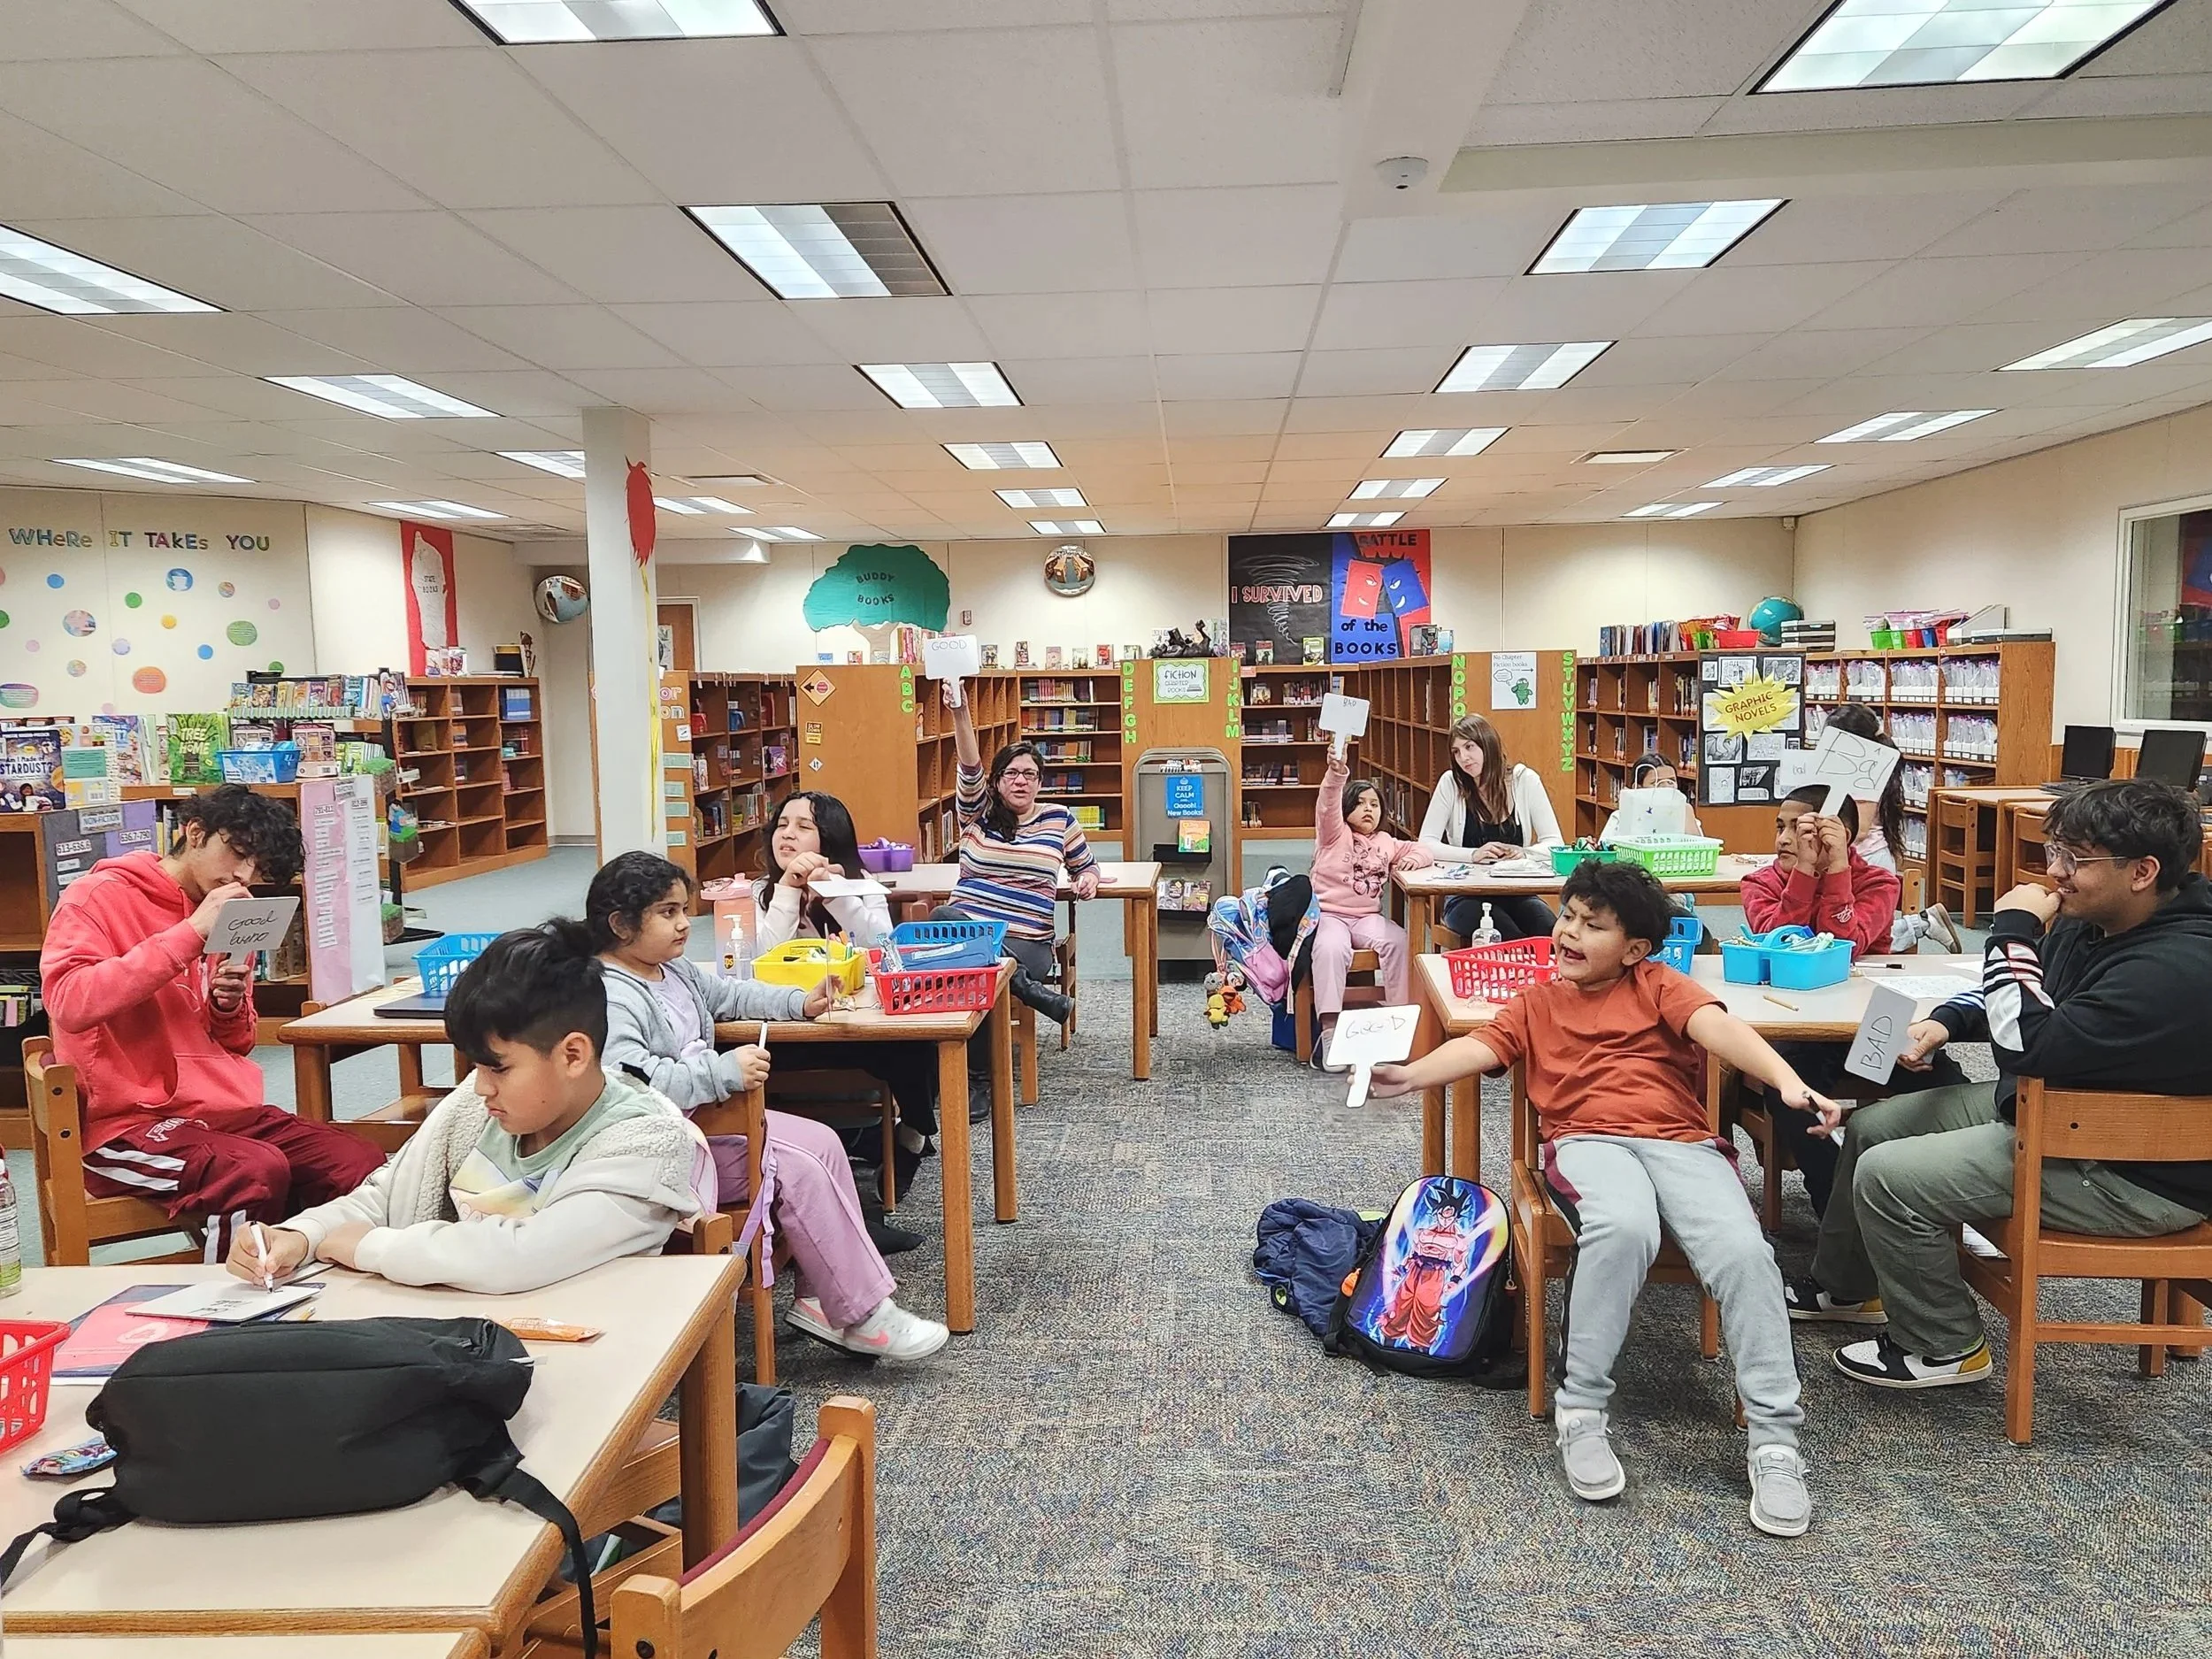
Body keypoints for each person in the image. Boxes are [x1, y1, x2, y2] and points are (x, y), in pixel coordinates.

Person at [1371, 861, 1828, 1538]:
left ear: (1636, 948)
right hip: (1587, 1140)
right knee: (1622, 1227)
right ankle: (1581, 1409)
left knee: (1745, 1251)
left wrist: (1788, 1082)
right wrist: (1410, 1074)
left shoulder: (1659, 984)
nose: (1570, 933)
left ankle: (1775, 1441)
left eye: (1594, 925)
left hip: (1681, 1143)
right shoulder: (1536, 1002)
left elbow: (1720, 1031)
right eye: (1569, 917)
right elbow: (1478, 1047)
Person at [1785, 780, 2212, 1390]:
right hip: (2064, 1111)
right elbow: (2027, 996)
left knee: (1889, 1175)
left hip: (2135, 1170)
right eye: (2056, 852)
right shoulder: (2099, 919)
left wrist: (2009, 932)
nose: (2055, 873)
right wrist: (1947, 1020)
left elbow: (2028, 1044)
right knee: (1876, 1125)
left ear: (2142, 871)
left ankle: (1944, 1346)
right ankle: (1849, 1287)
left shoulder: (2177, 968)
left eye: (2075, 859)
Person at [591, 852, 948, 1363]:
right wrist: (722, 1073)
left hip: (708, 1121)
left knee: (824, 1141)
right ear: (621, 924)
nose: (683, 924)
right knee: (796, 1168)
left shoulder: (672, 972)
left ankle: (819, 1301)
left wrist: (800, 1003)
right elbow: (632, 1084)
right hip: (668, 1145)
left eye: (681, 910)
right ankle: (865, 1313)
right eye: (667, 913)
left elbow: (733, 993)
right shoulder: (611, 994)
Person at [225, 923, 703, 1294]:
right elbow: (384, 1199)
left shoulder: (646, 1142)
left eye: (499, 1068)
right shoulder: (478, 1112)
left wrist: (373, 1248)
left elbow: (524, 1256)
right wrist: (301, 1235)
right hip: (460, 1338)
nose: (480, 1088)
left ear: (572, 1055)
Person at [41, 784, 384, 1262]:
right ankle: (232, 1306)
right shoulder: (96, 898)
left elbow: (239, 1044)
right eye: (237, 854)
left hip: (221, 1111)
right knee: (252, 1172)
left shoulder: (225, 905)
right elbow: (69, 1003)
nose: (242, 875)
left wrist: (227, 1007)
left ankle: (315, 1291)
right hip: (125, 1126)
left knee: (356, 1163)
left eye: (254, 868)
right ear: (195, 832)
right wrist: (190, 933)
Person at [755, 790, 939, 1207]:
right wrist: (787, 889)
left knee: (914, 1042)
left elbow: (882, 951)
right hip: (791, 1025)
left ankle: (912, 1134)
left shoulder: (862, 886)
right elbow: (761, 960)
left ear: (830, 840)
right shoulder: (763, 892)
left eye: (804, 828)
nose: (787, 836)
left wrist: (834, 893)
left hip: (852, 1024)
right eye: (782, 825)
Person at [943, 678, 1098, 1117]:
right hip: (969, 932)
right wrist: (960, 712)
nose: (1022, 781)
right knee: (945, 922)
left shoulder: (1059, 819)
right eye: (1012, 773)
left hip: (1027, 941)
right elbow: (968, 764)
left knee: (969, 966)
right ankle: (1026, 992)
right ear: (996, 781)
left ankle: (975, 1079)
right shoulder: (976, 814)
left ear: (1040, 782)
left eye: (1031, 774)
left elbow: (1086, 865)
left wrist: (1088, 879)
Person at [1311, 750, 1432, 1067]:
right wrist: (1337, 773)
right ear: (1347, 808)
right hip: (1330, 914)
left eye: (1375, 804)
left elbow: (1422, 849)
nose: (1369, 809)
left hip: (1366, 917)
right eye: (1362, 803)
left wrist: (1413, 859)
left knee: (1398, 941)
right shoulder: (1333, 834)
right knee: (1330, 949)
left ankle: (1396, 1024)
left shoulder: (1386, 841)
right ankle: (1330, 1031)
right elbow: (1326, 805)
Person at [1821, 703, 1960, 952]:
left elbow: (1859, 829)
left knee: (1862, 939)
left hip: (1867, 859)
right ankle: (1923, 922)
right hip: (1857, 856)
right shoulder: (1850, 767)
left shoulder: (1867, 773)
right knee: (1851, 929)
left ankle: (1921, 924)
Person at [1417, 712, 1563, 942]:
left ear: (1488, 744)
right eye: (1456, 752)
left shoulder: (1525, 781)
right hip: (1465, 895)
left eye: (1469, 747)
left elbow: (1555, 843)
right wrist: (1474, 855)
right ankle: (1510, 978)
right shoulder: (1451, 783)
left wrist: (1524, 853)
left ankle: (1543, 980)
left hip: (1517, 891)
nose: (1463, 757)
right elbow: (1426, 843)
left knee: (1550, 933)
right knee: (1507, 938)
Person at [1740, 787, 1901, 960]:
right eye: (1780, 828)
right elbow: (1780, 948)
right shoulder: (1760, 883)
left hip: (1857, 983)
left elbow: (1842, 949)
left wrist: (1838, 866)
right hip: (1782, 983)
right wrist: (1804, 870)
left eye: (1799, 829)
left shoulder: (1879, 884)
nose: (1783, 839)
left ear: (1840, 837)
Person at [1599, 753, 1702, 842]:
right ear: (1638, 787)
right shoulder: (1620, 817)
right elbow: (1603, 852)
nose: (1666, 787)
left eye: (1671, 781)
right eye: (1656, 782)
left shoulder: (1685, 813)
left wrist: (1687, 812)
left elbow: (1699, 852)